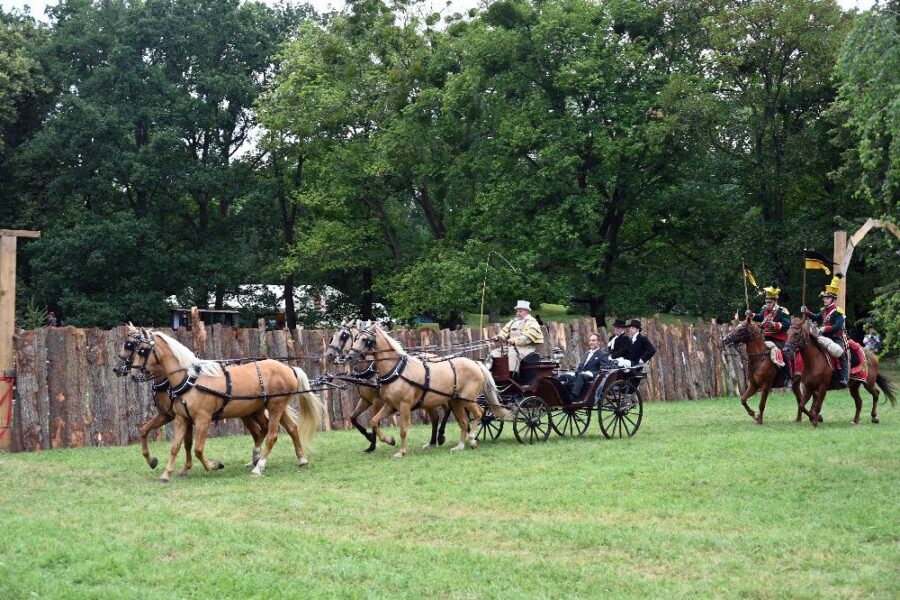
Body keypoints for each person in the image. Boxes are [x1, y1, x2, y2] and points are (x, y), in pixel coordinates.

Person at [801, 276, 848, 388]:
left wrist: (825, 329)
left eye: (827, 298)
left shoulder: (837, 312)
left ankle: (844, 377)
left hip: (836, 337)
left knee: (840, 353)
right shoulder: (824, 310)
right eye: (824, 298)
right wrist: (807, 312)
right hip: (823, 338)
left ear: (833, 299)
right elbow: (817, 317)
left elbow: (838, 326)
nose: (824, 300)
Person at [491, 300, 544, 374]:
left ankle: (512, 375)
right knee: (494, 353)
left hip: (525, 349)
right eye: (517, 311)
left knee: (512, 354)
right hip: (510, 347)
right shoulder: (513, 322)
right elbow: (504, 334)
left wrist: (514, 341)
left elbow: (527, 338)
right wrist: (498, 337)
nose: (518, 313)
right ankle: (494, 374)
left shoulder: (532, 322)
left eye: (520, 311)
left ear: (526, 312)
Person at [559, 333, 612, 400]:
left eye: (593, 340)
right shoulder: (586, 353)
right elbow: (581, 366)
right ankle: (559, 396)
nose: (591, 342)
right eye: (590, 340)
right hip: (580, 375)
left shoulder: (602, 354)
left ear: (598, 342)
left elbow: (605, 369)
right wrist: (575, 372)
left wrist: (591, 373)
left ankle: (573, 397)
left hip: (591, 378)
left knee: (581, 376)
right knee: (563, 376)